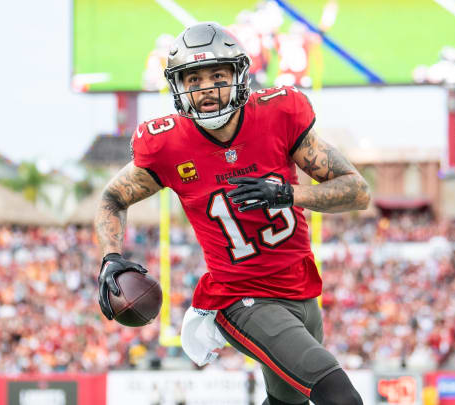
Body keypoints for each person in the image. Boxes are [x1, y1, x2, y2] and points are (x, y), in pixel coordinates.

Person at [94, 22, 370, 405]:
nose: (206, 88)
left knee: (285, 403)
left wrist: (289, 194)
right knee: (340, 397)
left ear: (239, 75)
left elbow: (358, 191)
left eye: (217, 75)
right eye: (193, 79)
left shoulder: (278, 115)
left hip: (301, 289)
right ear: (179, 87)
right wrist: (110, 257)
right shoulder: (167, 144)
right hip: (241, 297)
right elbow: (112, 198)